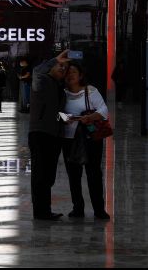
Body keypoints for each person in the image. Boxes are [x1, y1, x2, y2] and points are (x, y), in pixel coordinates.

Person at [61, 61, 110, 220]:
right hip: (69, 138)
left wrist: (90, 117)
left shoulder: (90, 91)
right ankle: (78, 208)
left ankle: (99, 209)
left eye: (73, 72)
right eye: (67, 72)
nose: (70, 75)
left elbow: (104, 111)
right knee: (73, 175)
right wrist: (64, 118)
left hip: (90, 137)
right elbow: (55, 113)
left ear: (80, 75)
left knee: (94, 173)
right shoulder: (61, 93)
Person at [28, 49, 70, 220]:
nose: (62, 69)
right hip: (40, 133)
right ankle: (40, 212)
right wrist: (55, 59)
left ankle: (45, 209)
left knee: (49, 175)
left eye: (65, 68)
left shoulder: (60, 88)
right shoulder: (42, 81)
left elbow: (57, 112)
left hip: (54, 134)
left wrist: (70, 119)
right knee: (40, 174)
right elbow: (37, 71)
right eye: (60, 66)